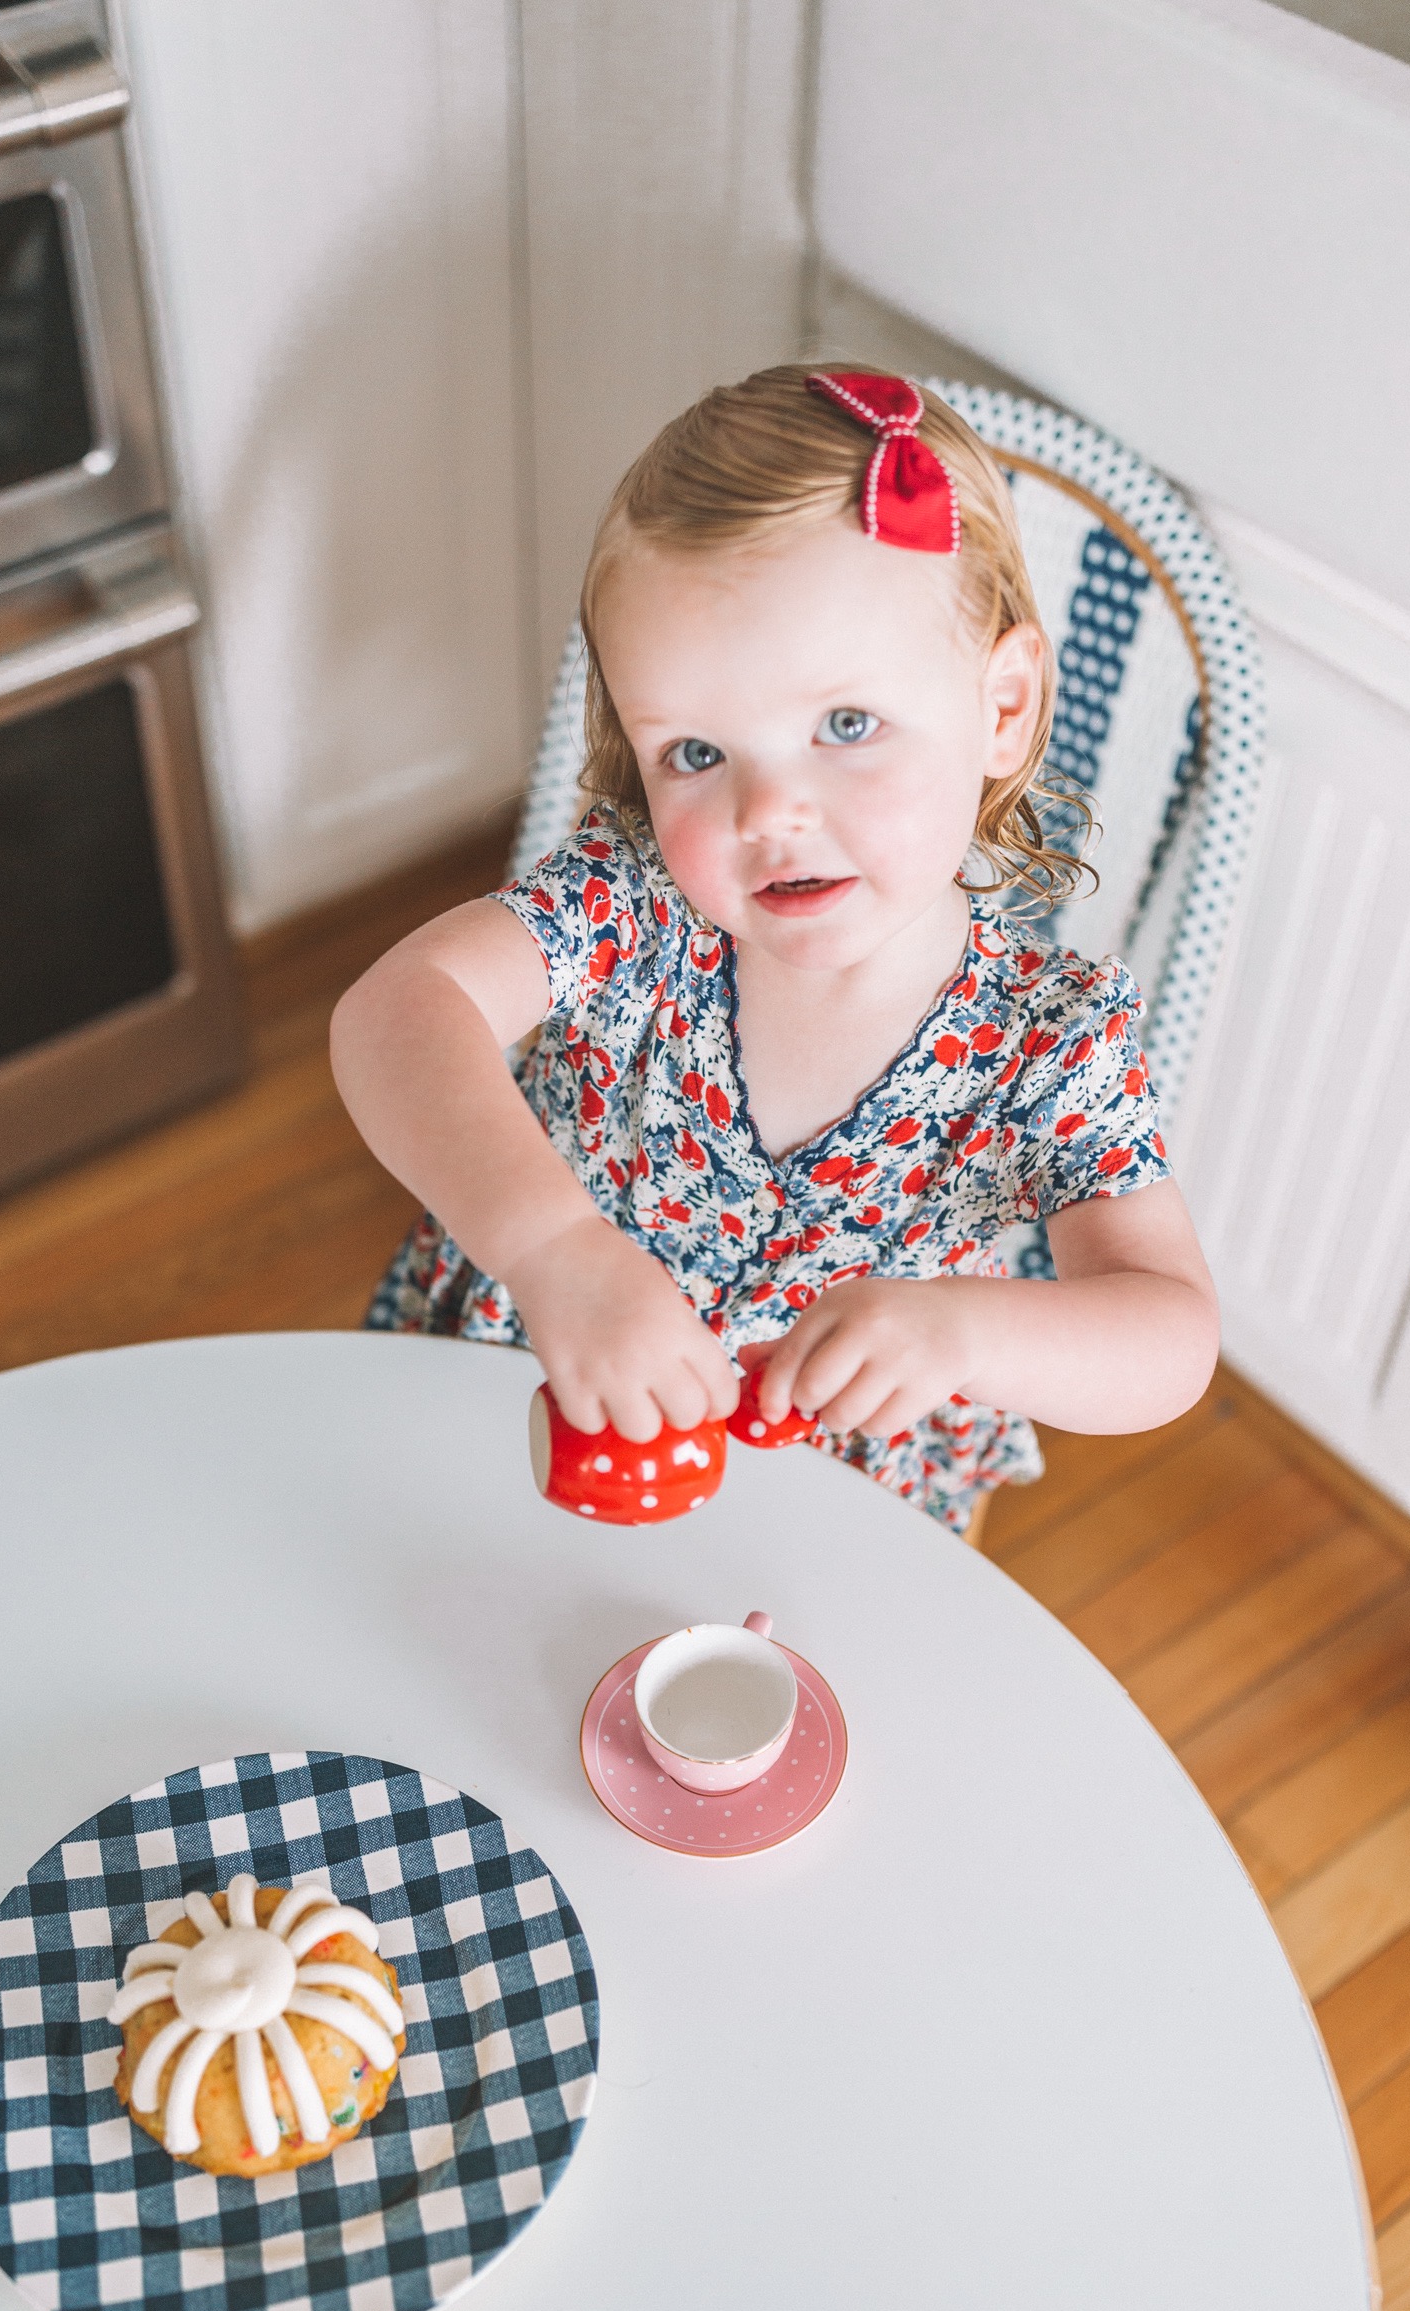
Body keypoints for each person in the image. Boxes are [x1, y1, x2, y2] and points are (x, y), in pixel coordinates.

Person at [332, 364, 1219, 1537]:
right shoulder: (636, 903)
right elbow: (398, 1009)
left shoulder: (1048, 1037)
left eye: (845, 726)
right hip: (530, 1396)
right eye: (696, 752)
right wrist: (556, 1250)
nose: (767, 813)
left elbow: (1168, 1334)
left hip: (833, 1509)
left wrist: (958, 1329)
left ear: (1002, 710)